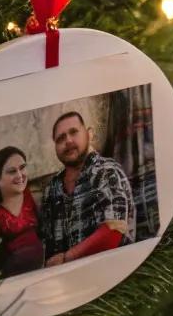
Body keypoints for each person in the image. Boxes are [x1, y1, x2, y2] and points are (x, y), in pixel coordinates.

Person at [39, 110, 135, 266]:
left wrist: (67, 258)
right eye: (60, 138)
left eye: (74, 132)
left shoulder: (106, 171)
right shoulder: (52, 188)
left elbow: (114, 231)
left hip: (112, 271)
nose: (68, 140)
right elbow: (47, 246)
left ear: (89, 134)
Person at [0, 146, 44, 278]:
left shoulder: (30, 196)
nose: (20, 175)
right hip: (13, 278)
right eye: (11, 171)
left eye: (22, 168)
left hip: (42, 271)